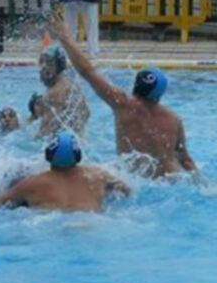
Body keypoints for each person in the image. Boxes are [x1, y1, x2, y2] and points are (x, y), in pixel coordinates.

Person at [49, 14, 196, 179]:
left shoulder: (123, 104)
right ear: (161, 93)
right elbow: (187, 161)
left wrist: (65, 39)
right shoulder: (174, 120)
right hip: (171, 179)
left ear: (136, 86)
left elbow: (87, 71)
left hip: (135, 179)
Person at [0, 132, 130, 212]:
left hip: (50, 230)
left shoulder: (33, 183)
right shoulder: (99, 176)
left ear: (48, 155)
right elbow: (127, 191)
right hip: (92, 227)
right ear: (78, 156)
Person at [35, 44, 90, 137]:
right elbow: (87, 114)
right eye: (42, 61)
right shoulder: (72, 85)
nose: (43, 66)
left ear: (59, 66)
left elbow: (45, 132)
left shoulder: (53, 93)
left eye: (49, 62)